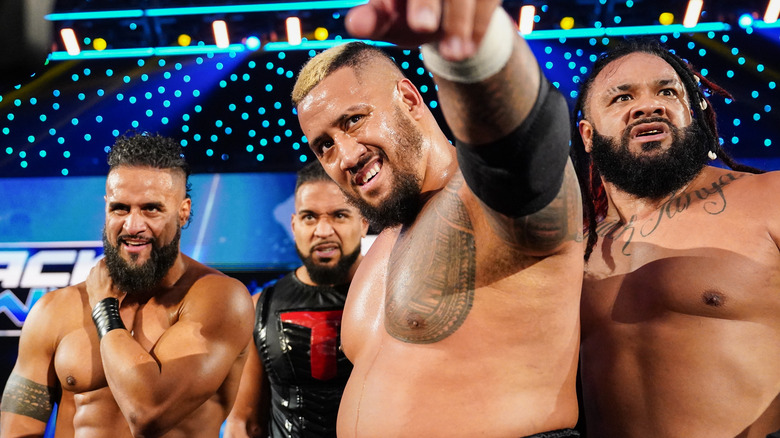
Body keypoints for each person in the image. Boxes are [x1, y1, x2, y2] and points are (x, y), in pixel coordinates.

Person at [291, 0, 584, 436]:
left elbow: (523, 155)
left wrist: (479, 61)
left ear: (409, 98)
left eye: (353, 120)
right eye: (324, 146)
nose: (346, 156)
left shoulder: (483, 197)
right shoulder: (384, 243)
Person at [570, 39, 780, 437]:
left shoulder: (771, 197)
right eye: (621, 97)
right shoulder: (574, 247)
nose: (649, 105)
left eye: (667, 91)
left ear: (695, 114)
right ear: (588, 135)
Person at [0, 133, 255, 437]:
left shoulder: (219, 298)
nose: (133, 226)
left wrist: (105, 311)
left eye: (151, 209)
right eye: (120, 208)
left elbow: (148, 414)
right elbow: (17, 429)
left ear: (183, 211)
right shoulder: (55, 310)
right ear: (106, 208)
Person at [224, 160, 368, 438]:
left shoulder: (394, 299)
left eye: (339, 215)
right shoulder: (260, 306)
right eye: (309, 217)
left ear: (363, 222)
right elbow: (244, 422)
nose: (323, 231)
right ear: (294, 224)